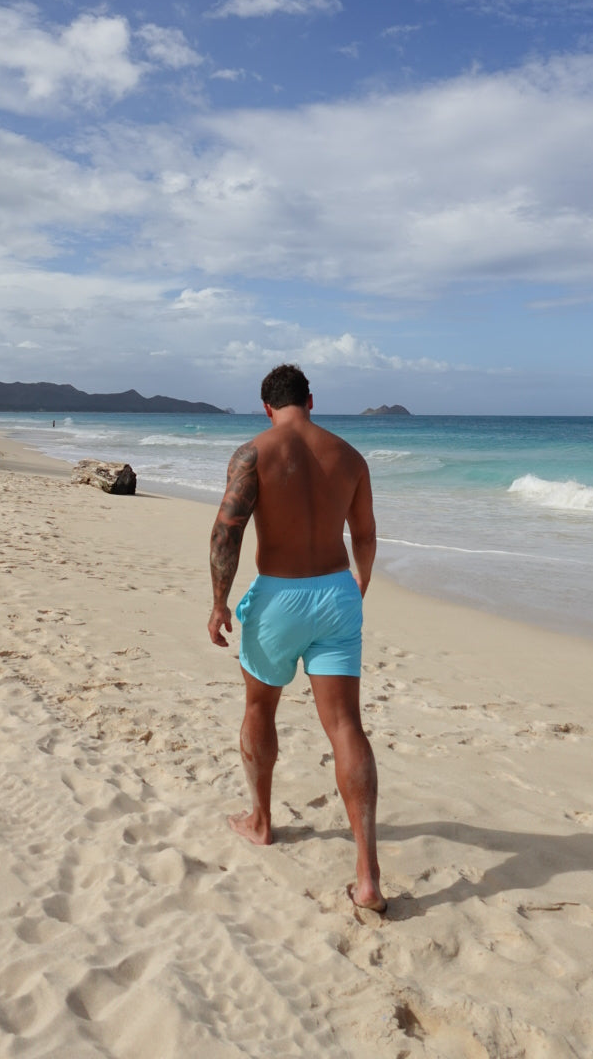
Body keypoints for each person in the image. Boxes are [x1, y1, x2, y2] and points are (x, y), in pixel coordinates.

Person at [207, 363, 385, 913]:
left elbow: (227, 531)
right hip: (336, 594)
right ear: (311, 399)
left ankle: (261, 823)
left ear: (267, 407)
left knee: (260, 706)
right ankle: (368, 875)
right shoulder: (350, 456)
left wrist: (219, 602)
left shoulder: (253, 453)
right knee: (345, 726)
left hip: (279, 596)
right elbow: (366, 533)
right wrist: (360, 582)